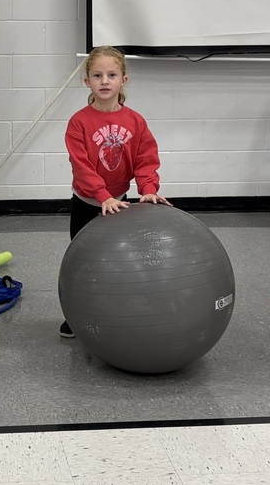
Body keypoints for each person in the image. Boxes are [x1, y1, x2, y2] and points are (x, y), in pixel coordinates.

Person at [60, 46, 170, 338]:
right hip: (86, 203)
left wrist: (147, 190)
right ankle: (76, 316)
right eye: (97, 75)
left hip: (118, 205)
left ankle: (110, 311)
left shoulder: (135, 121)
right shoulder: (79, 122)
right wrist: (101, 195)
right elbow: (81, 165)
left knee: (115, 263)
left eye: (111, 75)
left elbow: (146, 159)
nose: (104, 81)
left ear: (124, 80)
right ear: (87, 82)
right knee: (85, 265)